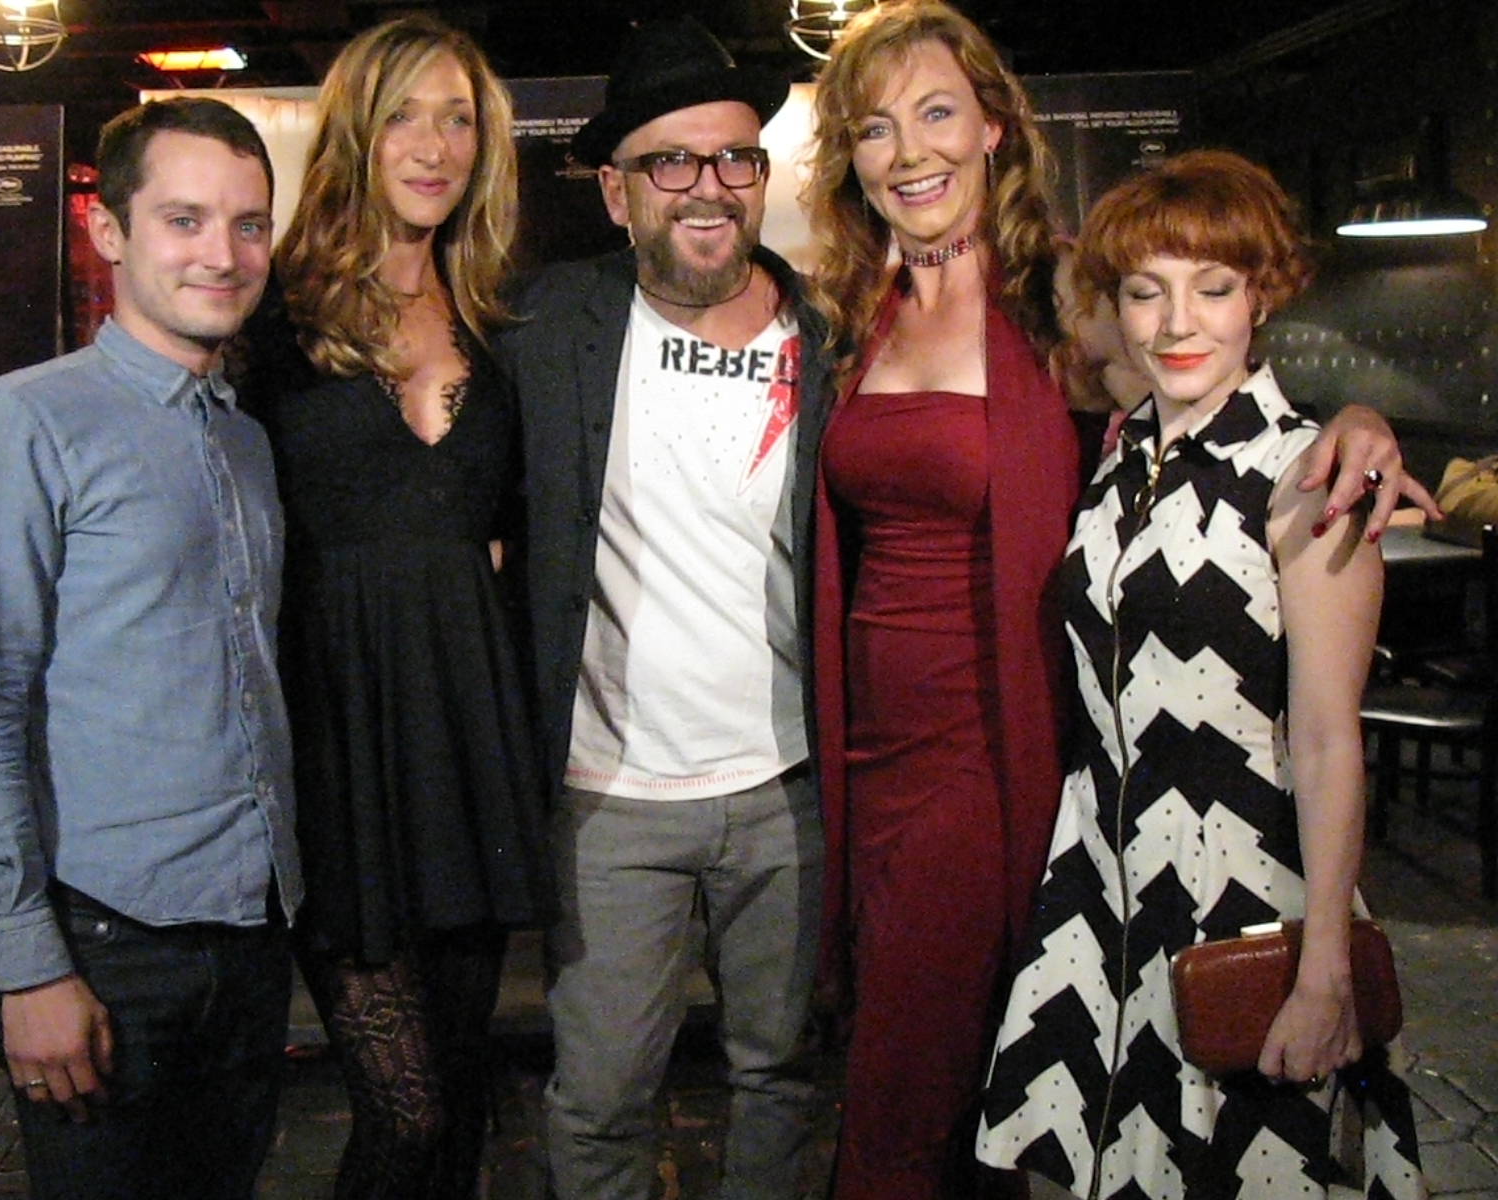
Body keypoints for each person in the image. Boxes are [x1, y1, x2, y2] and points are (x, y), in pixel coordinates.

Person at [800, 4, 1430, 1198]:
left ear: (994, 126)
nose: (909, 150)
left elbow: (1216, 364)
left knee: (908, 1105)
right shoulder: (848, 307)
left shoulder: (1058, 298)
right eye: (875, 128)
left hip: (995, 756)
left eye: (936, 112)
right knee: (1011, 1106)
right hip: (875, 758)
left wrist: (1356, 422)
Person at [976, 148, 1425, 1199]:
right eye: (1147, 292)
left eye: (1213, 289)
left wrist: (1324, 970)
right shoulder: (1123, 454)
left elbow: (1327, 742)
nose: (1177, 323)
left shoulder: (1307, 479)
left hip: (1242, 890)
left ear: (1260, 296)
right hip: (1100, 878)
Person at [0, 97, 300, 1200]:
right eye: (184, 220)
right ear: (108, 231)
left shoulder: (244, 436)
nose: (221, 254)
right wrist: (26, 967)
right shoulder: (23, 422)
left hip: (249, 931)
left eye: (247, 224)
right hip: (104, 941)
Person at [493, 17, 834, 1199]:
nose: (708, 186)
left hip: (788, 790)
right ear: (615, 191)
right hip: (610, 802)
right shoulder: (544, 329)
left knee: (781, 1076)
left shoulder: (830, 335)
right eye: (670, 161)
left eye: (734, 157)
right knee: (598, 1101)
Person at [238, 15, 553, 1199]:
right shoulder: (267, 319)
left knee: (460, 1097)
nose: (434, 146)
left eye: (458, 119)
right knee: (404, 1114)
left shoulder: (498, 325)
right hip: (335, 758)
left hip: (467, 748)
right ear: (356, 134)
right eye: (405, 117)